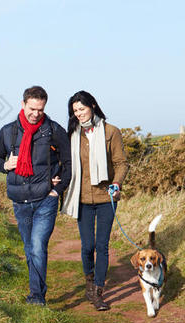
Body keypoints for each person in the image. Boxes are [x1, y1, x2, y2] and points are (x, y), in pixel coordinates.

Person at [0, 86, 71, 306]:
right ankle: (37, 289)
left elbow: (69, 163)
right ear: (23, 104)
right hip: (20, 202)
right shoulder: (8, 132)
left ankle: (36, 296)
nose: (36, 114)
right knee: (29, 249)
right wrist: (6, 165)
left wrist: (57, 189)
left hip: (45, 200)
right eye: (32, 108)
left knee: (37, 246)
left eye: (40, 110)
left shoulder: (53, 130)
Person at [60, 90, 128, 311]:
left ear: (93, 106)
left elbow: (121, 163)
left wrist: (117, 184)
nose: (79, 114)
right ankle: (89, 282)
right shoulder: (72, 134)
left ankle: (98, 291)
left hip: (106, 197)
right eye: (75, 111)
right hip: (81, 198)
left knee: (102, 245)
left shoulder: (111, 132)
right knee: (88, 246)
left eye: (82, 108)